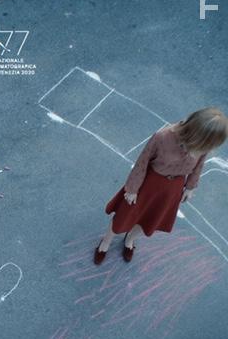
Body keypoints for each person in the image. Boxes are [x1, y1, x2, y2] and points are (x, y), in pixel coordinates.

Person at [94, 107, 228, 264]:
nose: (209, 148)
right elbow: (142, 162)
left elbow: (199, 165)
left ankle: (130, 239)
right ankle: (106, 242)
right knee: (124, 216)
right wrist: (132, 189)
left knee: (150, 220)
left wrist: (190, 186)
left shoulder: (203, 146)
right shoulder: (163, 137)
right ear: (196, 134)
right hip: (149, 183)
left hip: (172, 190)